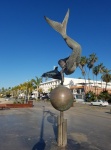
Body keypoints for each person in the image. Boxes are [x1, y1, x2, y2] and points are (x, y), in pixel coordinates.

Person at [44, 9, 84, 84]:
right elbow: (62, 72)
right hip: (69, 69)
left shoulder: (66, 61)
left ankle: (63, 33)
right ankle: (63, 33)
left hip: (73, 65)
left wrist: (82, 70)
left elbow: (78, 64)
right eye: (61, 64)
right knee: (77, 47)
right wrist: (62, 81)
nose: (62, 65)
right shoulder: (64, 67)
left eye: (62, 64)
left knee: (79, 47)